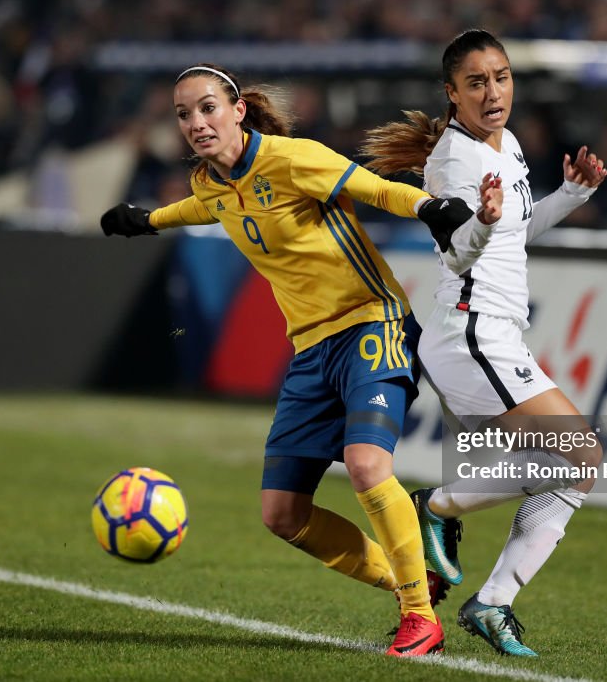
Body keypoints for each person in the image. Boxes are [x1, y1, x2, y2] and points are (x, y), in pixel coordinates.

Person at [99, 63, 479, 657]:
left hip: (371, 323)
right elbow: (203, 210)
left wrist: (430, 207)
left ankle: (418, 617)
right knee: (282, 514)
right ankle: (413, 583)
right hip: (309, 348)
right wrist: (145, 220)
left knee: (365, 466)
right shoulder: (208, 184)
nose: (197, 123)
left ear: (237, 110)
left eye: (207, 108)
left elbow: (372, 188)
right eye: (183, 114)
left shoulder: (290, 157)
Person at [361, 29, 607, 656]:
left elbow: (514, 233)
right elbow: (460, 249)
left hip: (497, 337)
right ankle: (437, 507)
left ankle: (493, 601)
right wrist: (482, 221)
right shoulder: (454, 158)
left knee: (573, 472)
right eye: (476, 82)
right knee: (581, 457)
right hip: (470, 334)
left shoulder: (509, 145)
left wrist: (572, 194)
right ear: (453, 93)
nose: (492, 91)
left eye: (500, 76)